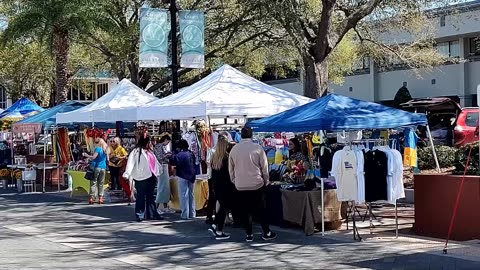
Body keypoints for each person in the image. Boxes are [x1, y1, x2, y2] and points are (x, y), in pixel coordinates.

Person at [229, 127, 276, 242]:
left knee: (245, 210)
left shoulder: (234, 149)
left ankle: (249, 234)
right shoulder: (257, 148)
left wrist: (234, 180)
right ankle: (266, 232)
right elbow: (264, 167)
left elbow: (231, 168)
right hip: (256, 183)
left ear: (241, 135)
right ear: (251, 135)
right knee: (261, 209)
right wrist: (266, 180)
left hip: (240, 185)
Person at [123, 135, 163, 222]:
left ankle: (152, 214)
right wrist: (127, 174)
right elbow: (130, 163)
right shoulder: (136, 152)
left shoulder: (150, 152)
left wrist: (159, 171)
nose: (151, 143)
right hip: (141, 177)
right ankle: (139, 214)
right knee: (141, 196)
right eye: (149, 142)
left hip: (151, 176)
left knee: (150, 196)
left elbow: (155, 162)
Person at [208, 136, 236, 240]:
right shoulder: (226, 157)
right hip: (226, 185)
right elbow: (230, 173)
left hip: (217, 186)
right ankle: (219, 230)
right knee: (224, 208)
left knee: (222, 207)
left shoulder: (215, 157)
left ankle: (216, 225)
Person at [171, 139, 196, 220]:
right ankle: (192, 213)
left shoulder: (180, 154)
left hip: (183, 175)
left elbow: (174, 161)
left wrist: (173, 154)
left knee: (183, 194)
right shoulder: (191, 153)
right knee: (191, 194)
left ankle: (185, 214)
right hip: (192, 175)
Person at [83, 138, 108, 205]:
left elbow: (93, 157)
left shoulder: (98, 149)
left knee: (93, 182)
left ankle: (92, 197)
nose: (95, 143)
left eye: (96, 142)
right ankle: (100, 198)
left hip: (96, 167)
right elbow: (108, 158)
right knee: (101, 183)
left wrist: (86, 155)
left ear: (98, 143)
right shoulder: (105, 149)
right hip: (103, 167)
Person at [154, 134, 174, 214]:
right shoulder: (159, 146)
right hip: (161, 166)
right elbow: (159, 157)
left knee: (165, 187)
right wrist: (167, 155)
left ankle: (165, 206)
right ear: (165, 140)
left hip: (163, 166)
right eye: (168, 142)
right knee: (162, 187)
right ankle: (157, 207)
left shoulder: (160, 146)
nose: (167, 143)